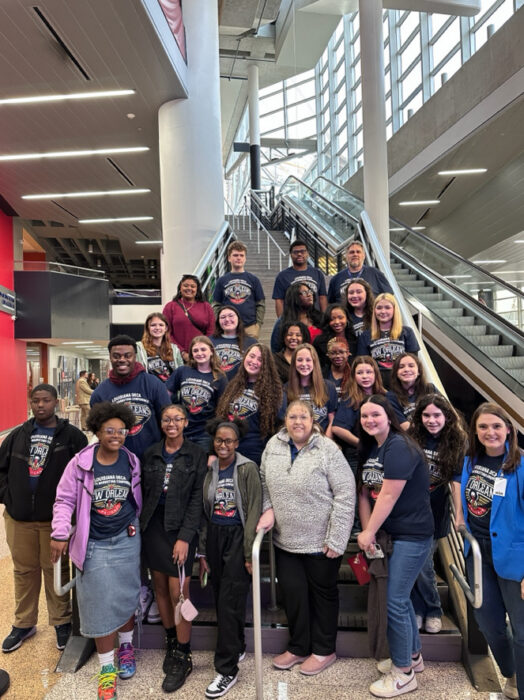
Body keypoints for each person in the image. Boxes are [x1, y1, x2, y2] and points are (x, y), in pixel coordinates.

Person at [51, 402, 142, 700]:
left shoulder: (131, 460)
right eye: (109, 430)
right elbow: (64, 500)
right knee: (100, 605)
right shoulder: (80, 463)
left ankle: (126, 647)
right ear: (98, 431)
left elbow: (134, 498)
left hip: (127, 540)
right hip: (94, 545)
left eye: (121, 430)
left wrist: (132, 523)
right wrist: (61, 533)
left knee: (127, 595)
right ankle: (106, 670)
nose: (116, 435)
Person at [257, 400, 355, 676]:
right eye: (292, 416)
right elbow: (263, 481)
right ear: (285, 419)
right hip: (284, 540)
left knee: (322, 597)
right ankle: (299, 646)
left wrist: (337, 539)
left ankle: (324, 650)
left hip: (321, 542)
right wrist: (268, 509)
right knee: (294, 595)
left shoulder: (327, 449)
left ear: (313, 421)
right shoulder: (273, 446)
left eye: (303, 417)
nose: (297, 421)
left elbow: (346, 494)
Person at [0, 384, 87, 654]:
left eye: (46, 400)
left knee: (56, 570)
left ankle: (61, 621)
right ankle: (24, 623)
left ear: (56, 402)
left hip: (55, 520)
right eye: (35, 401)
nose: (40, 405)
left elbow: (84, 476)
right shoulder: (17, 436)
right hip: (19, 518)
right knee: (24, 571)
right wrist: (9, 496)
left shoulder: (72, 437)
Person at [357, 394, 434, 698]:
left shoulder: (399, 446)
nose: (369, 421)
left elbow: (388, 495)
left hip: (412, 535)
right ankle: (413, 657)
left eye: (375, 414)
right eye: (364, 417)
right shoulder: (374, 447)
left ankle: (403, 674)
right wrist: (368, 530)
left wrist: (369, 531)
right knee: (399, 600)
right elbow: (366, 491)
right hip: (392, 535)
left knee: (395, 601)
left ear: (388, 415)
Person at [452, 403, 523, 700]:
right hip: (479, 555)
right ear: (475, 431)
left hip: (515, 560)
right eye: (483, 427)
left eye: (496, 426)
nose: (490, 432)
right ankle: (511, 673)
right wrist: (459, 514)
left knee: (522, 631)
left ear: (508, 429)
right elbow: (458, 483)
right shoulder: (471, 460)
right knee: (489, 624)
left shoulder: (520, 465)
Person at [141, 404, 207, 694]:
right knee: (159, 587)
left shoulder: (196, 454)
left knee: (179, 591)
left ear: (185, 422)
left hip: (181, 529)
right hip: (153, 527)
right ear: (161, 422)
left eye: (177, 419)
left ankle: (184, 652)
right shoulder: (152, 452)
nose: (171, 423)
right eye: (166, 419)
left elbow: (196, 499)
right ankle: (170, 641)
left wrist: (185, 537)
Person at [200, 418, 262, 698]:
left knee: (230, 600)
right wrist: (202, 550)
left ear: (237, 443)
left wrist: (249, 552)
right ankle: (236, 646)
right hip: (214, 536)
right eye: (219, 441)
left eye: (228, 441)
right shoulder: (211, 468)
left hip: (238, 537)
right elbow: (205, 509)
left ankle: (226, 670)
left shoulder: (248, 468)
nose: (223, 445)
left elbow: (253, 512)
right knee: (221, 597)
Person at [408, 394, 467, 634]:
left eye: (437, 415)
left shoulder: (457, 440)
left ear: (446, 416)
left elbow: (456, 482)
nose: (431, 420)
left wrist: (459, 516)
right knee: (413, 563)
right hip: (411, 511)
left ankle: (433, 609)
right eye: (426, 415)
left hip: (436, 511)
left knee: (423, 563)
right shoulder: (412, 437)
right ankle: (420, 609)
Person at [90, 334, 170, 460]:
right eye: (116, 356)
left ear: (135, 357)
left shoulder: (153, 384)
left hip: (153, 458)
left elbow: (167, 421)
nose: (122, 359)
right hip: (118, 461)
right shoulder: (99, 394)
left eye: (127, 355)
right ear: (110, 357)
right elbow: (99, 432)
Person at [217, 344, 282, 466]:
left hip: (254, 453)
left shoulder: (273, 391)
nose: (254, 362)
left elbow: (273, 428)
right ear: (245, 357)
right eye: (251, 356)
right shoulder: (233, 385)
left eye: (260, 360)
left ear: (266, 365)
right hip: (228, 449)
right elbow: (221, 418)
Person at [167, 336, 228, 451]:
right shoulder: (182, 371)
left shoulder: (220, 377)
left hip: (204, 433)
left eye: (203, 349)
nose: (199, 353)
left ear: (211, 351)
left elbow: (222, 409)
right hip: (181, 429)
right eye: (195, 351)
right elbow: (166, 394)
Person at [332, 356, 386, 473]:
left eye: (369, 372)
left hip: (384, 452)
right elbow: (337, 428)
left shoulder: (386, 396)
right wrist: (361, 444)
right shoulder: (350, 398)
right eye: (360, 373)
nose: (365, 376)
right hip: (357, 455)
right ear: (354, 376)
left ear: (376, 374)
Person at [357, 293, 420, 389]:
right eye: (379, 308)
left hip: (402, 384)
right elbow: (363, 364)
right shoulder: (365, 335)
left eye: (387, 307)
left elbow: (414, 362)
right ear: (374, 310)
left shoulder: (407, 332)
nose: (383, 311)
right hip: (377, 385)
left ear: (394, 310)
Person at [279, 344, 338, 438]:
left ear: (314, 362)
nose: (304, 364)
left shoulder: (329, 387)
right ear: (294, 363)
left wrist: (326, 443)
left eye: (308, 360)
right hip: (297, 441)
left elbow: (332, 420)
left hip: (322, 441)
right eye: (299, 360)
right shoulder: (285, 389)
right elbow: (286, 423)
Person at [212, 241, 265, 339]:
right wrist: (219, 322)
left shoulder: (253, 279)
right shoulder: (222, 280)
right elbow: (216, 304)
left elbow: (260, 304)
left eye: (241, 255)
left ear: (245, 258)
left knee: (251, 354)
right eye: (235, 255)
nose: (239, 258)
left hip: (250, 326)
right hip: (229, 327)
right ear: (229, 258)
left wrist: (258, 325)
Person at [162, 275, 215, 361]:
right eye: (185, 285)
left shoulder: (206, 307)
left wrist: (201, 351)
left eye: (193, 286)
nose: (189, 288)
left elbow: (211, 331)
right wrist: (182, 352)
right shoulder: (170, 306)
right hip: (177, 356)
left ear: (197, 289)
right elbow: (167, 333)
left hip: (202, 356)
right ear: (180, 287)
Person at [272, 240, 327, 317]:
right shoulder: (282, 276)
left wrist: (324, 318)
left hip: (315, 319)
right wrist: (281, 321)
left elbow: (322, 297)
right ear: (291, 255)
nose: (299, 254)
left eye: (303, 251)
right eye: (295, 252)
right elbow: (279, 301)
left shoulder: (317, 273)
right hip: (293, 320)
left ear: (307, 254)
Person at [327, 240, 393, 303]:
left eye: (358, 252)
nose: (355, 254)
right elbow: (331, 303)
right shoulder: (336, 279)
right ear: (346, 256)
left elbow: (389, 298)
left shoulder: (375, 274)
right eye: (351, 252)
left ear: (364, 256)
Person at [386, 353, 438, 430]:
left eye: (411, 366)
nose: (406, 369)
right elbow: (405, 427)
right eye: (401, 367)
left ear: (419, 371)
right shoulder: (391, 396)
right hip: (414, 438)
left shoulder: (430, 388)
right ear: (396, 373)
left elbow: (448, 413)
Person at [270, 282, 323, 353]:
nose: (309, 295)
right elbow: (276, 349)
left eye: (310, 291)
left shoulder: (319, 317)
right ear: (294, 297)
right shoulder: (282, 321)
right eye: (304, 293)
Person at [210, 305, 256, 380]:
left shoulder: (251, 342)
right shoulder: (210, 341)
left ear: (238, 319)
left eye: (231, 316)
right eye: (223, 317)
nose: (227, 319)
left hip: (240, 386)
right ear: (218, 321)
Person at [136, 312, 184, 382]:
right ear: (148, 328)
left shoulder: (174, 349)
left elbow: (181, 371)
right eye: (153, 325)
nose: (157, 328)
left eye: (161, 325)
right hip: (149, 390)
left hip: (170, 390)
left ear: (166, 328)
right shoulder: (139, 348)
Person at [313, 303, 357, 370]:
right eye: (332, 319)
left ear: (347, 319)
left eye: (340, 318)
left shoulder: (354, 339)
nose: (336, 322)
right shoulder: (319, 341)